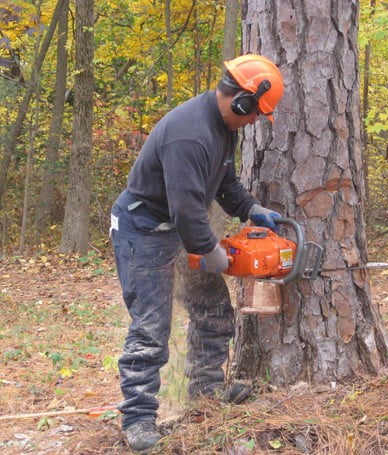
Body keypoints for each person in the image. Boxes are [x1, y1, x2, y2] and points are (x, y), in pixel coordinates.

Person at [110, 54, 285, 453]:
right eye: (255, 112)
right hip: (144, 230)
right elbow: (188, 207)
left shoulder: (224, 127)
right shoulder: (191, 133)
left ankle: (204, 391)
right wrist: (210, 251)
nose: (254, 121)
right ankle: (137, 418)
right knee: (152, 325)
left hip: (179, 229)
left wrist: (250, 209)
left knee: (213, 311)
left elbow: (223, 179)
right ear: (241, 100)